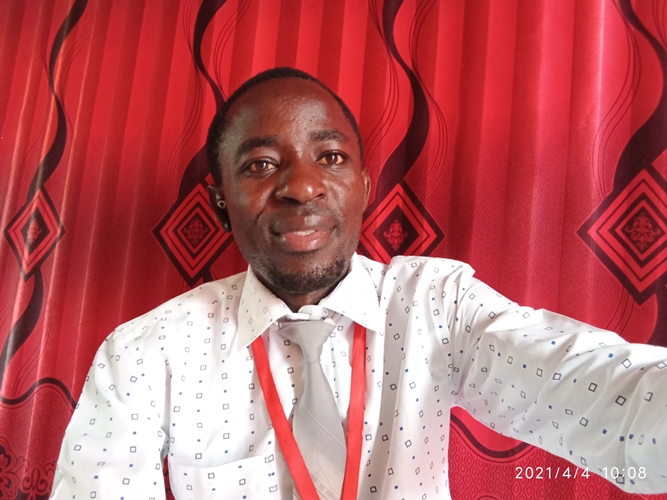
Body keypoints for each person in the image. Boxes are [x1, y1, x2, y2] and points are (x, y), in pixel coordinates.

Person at [52, 67, 667, 499]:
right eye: (262, 164)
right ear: (219, 202)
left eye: (331, 158)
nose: (303, 187)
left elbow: (613, 397)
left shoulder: (437, 307)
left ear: (366, 188)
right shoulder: (144, 354)